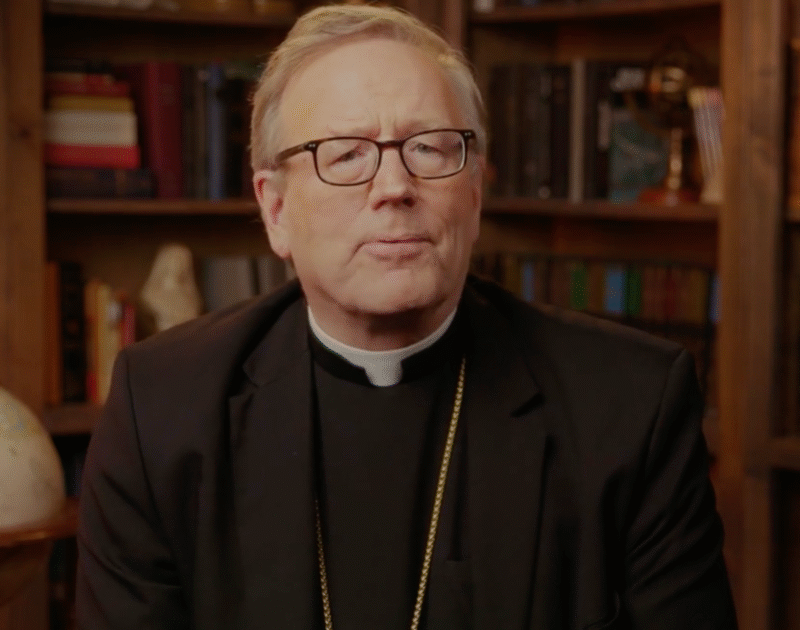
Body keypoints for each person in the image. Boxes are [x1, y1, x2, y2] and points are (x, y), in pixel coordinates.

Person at [75, 4, 737, 630]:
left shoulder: (631, 407)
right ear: (275, 209)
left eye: (429, 148)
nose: (394, 188)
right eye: (345, 154)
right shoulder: (160, 410)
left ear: (474, 192)